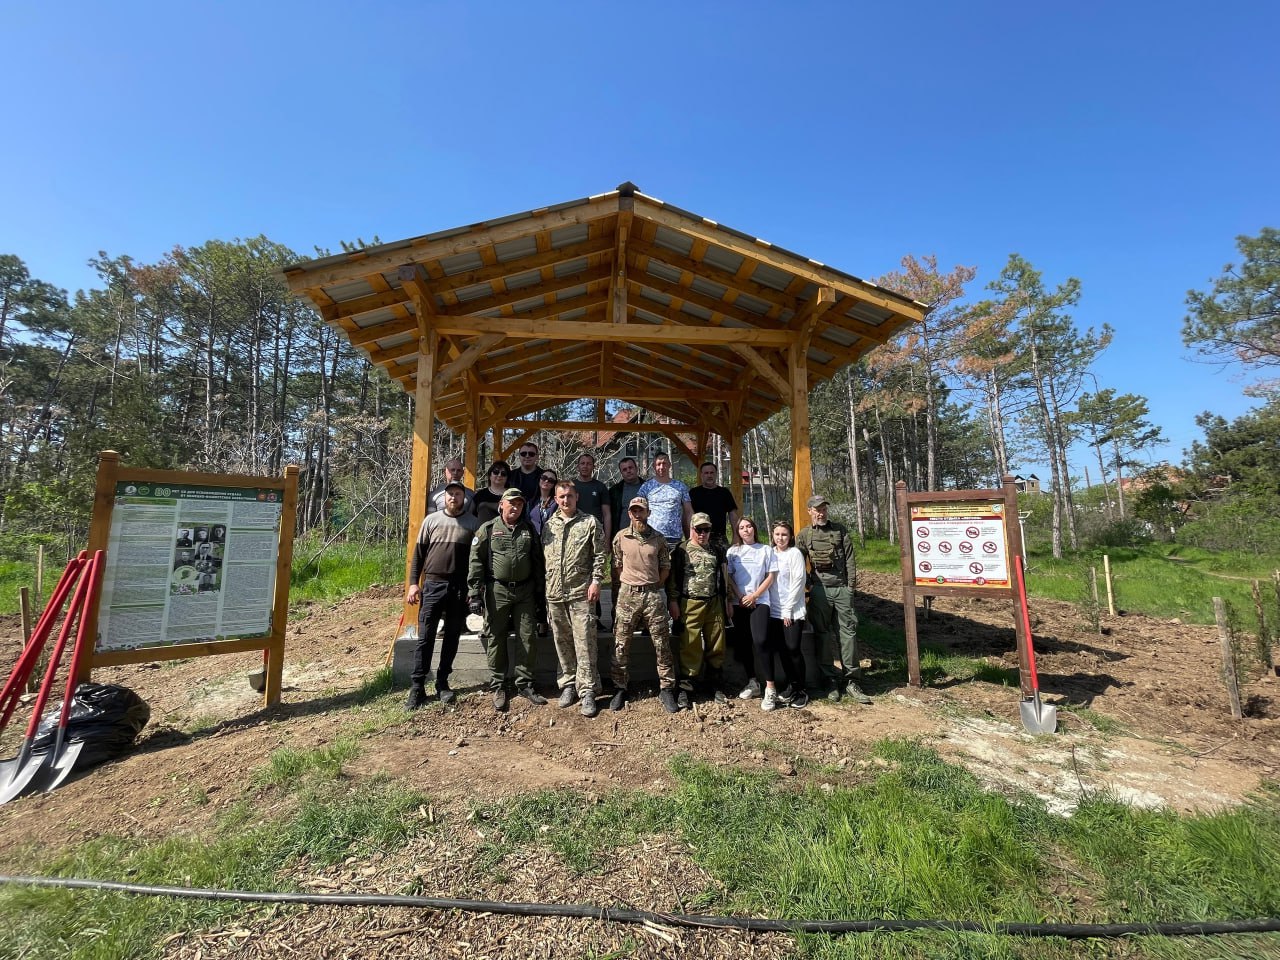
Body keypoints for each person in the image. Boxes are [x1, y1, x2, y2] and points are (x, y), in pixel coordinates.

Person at [468, 488, 547, 713]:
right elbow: (476, 562)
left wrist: (540, 594)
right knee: (496, 637)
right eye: (511, 503)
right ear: (501, 505)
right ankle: (499, 685)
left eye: (519, 504)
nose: (515, 507)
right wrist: (474, 593)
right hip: (497, 591)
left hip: (525, 592)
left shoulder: (528, 530)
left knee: (527, 636)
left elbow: (537, 563)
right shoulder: (488, 529)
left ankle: (524, 683)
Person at [405, 481, 479, 708]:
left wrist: (472, 589)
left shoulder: (472, 524)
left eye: (458, 494)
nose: (454, 498)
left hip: (458, 587)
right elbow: (418, 555)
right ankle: (417, 687)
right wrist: (413, 584)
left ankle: (442, 682)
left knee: (452, 637)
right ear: (444, 498)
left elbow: (475, 561)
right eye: (450, 495)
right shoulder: (431, 521)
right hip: (433, 584)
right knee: (425, 637)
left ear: (464, 498)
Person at [796, 494, 871, 704]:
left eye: (824, 509)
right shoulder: (804, 535)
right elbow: (796, 562)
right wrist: (808, 585)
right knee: (822, 635)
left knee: (848, 635)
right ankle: (829, 679)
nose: (821, 512)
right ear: (809, 511)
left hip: (841, 589)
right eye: (817, 509)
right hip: (820, 591)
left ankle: (851, 680)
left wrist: (850, 588)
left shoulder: (840, 530)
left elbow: (850, 559)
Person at [542, 481, 605, 717]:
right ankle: (568, 684)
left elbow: (600, 554)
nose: (565, 500)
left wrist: (597, 581)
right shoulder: (549, 525)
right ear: (556, 499)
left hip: (581, 592)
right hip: (555, 593)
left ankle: (588, 689)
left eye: (569, 496)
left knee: (585, 641)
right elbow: (545, 558)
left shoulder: (589, 522)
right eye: (561, 497)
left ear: (576, 497)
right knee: (562, 640)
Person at [610, 497, 679, 713]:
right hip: (627, 595)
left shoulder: (658, 539)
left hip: (652, 595)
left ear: (648, 513)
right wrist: (631, 583)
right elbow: (617, 566)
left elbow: (665, 568)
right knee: (621, 643)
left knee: (662, 644)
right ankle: (620, 687)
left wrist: (652, 584)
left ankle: (666, 688)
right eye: (634, 511)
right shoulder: (621, 537)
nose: (637, 514)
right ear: (629, 513)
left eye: (641, 511)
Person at [668, 512, 730, 707]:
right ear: (691, 529)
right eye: (699, 529)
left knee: (716, 643)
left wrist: (727, 600)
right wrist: (673, 601)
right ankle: (687, 687)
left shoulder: (716, 549)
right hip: (690, 603)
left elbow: (724, 577)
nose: (702, 533)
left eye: (706, 529)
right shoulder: (681, 550)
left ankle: (715, 684)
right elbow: (672, 578)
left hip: (714, 603)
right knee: (690, 644)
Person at [726, 517, 778, 704]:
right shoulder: (733, 551)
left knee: (761, 640)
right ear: (738, 532)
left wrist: (754, 596)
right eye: (741, 527)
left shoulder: (765, 550)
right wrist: (740, 597)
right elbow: (729, 577)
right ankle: (753, 682)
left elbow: (771, 576)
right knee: (744, 642)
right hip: (739, 602)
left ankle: (770, 687)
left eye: (749, 526)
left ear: (754, 529)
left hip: (760, 601)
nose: (746, 530)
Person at [767, 521, 810, 709]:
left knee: (793, 648)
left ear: (790, 536)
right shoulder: (770, 553)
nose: (780, 538)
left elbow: (799, 582)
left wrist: (787, 609)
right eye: (777, 534)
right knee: (782, 650)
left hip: (791, 610)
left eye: (784, 534)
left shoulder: (794, 554)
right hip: (774, 610)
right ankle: (790, 685)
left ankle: (801, 689)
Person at [573, 452, 612, 628]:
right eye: (582, 463)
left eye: (589, 463)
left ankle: (596, 618)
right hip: (575, 539)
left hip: (595, 538)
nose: (585, 466)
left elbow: (607, 514)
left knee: (594, 577)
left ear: (593, 466)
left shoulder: (600, 487)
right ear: (578, 466)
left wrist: (607, 538)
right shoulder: (571, 486)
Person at [607, 456, 644, 628]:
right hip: (621, 542)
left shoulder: (648, 488)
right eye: (624, 469)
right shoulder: (615, 491)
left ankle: (642, 620)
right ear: (621, 472)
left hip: (644, 542)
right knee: (618, 581)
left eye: (631, 467)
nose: (628, 471)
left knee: (642, 581)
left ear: (636, 468)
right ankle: (618, 619)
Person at [636, 453, 692, 546]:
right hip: (652, 538)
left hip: (674, 538)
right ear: (654, 466)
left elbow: (689, 512)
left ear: (670, 465)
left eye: (664, 463)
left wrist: (691, 537)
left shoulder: (680, 486)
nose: (661, 467)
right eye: (658, 464)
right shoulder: (646, 487)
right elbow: (638, 512)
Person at [688, 462, 740, 548]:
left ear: (716, 474)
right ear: (701, 475)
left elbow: (733, 516)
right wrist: (689, 536)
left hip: (719, 538)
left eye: (712, 473)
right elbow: (688, 515)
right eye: (706, 473)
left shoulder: (724, 493)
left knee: (723, 561)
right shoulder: (693, 493)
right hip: (699, 537)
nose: (709, 475)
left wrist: (736, 537)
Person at [471, 460, 511, 525]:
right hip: (483, 533)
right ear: (490, 475)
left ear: (507, 478)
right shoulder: (480, 495)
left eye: (503, 474)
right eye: (496, 472)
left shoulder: (512, 495)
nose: (499, 475)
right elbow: (472, 516)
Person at [511, 441, 543, 508]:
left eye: (531, 454)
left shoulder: (545, 477)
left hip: (538, 514)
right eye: (523, 454)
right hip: (515, 512)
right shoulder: (510, 476)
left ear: (537, 456)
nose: (527, 456)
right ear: (519, 456)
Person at [529, 470, 559, 535]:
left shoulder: (557, 503)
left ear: (554, 484)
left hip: (550, 538)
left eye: (551, 480)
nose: (546, 481)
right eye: (544, 478)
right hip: (533, 540)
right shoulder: (531, 502)